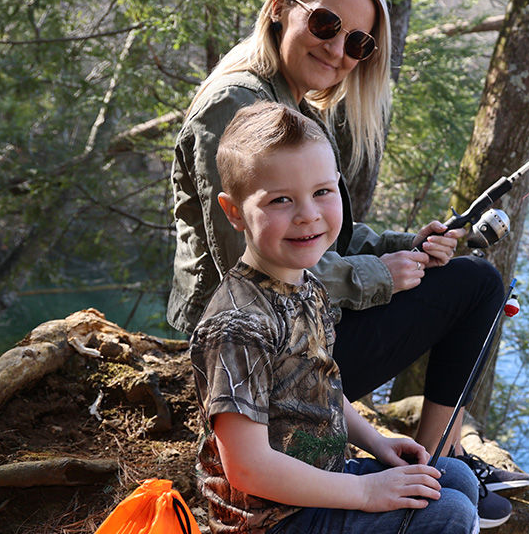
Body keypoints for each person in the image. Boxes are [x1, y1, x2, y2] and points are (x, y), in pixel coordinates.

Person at [168, 0, 529, 525]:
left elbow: (322, 238)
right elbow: (244, 260)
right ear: (280, 10)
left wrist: (402, 245)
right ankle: (440, 457)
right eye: (326, 25)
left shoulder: (291, 101)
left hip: (295, 339)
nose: (339, 51)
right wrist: (380, 277)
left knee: (451, 477)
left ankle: (443, 456)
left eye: (359, 43)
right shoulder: (236, 106)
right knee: (478, 288)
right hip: (258, 358)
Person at [192, 101, 479, 534]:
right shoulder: (238, 324)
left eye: (322, 192)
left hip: (317, 480)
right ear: (234, 212)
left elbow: (322, 387)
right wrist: (367, 493)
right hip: (270, 519)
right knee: (449, 514)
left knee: (454, 478)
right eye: (281, 199)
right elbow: (247, 468)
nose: (308, 214)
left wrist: (377, 444)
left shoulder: (307, 285)